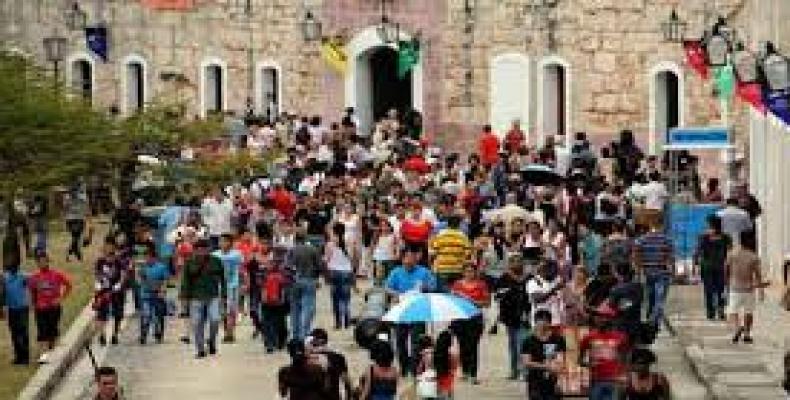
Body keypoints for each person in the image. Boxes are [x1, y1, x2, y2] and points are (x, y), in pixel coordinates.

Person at [384, 248, 437, 376]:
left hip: (418, 311)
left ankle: (415, 369)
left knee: (417, 342)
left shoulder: (424, 272)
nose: (409, 261)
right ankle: (404, 367)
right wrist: (396, 294)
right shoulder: (396, 272)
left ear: (416, 259)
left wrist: (425, 287)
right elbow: (387, 287)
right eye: (406, 258)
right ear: (402, 259)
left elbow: (433, 286)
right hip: (401, 311)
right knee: (400, 342)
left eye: (411, 258)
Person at [180, 239, 226, 358]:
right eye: (198, 249)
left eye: (204, 249)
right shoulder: (189, 262)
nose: (201, 252)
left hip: (213, 295)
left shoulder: (216, 261)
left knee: (215, 320)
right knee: (196, 323)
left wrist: (224, 296)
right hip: (195, 297)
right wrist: (184, 299)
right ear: (195, 250)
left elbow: (223, 279)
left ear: (209, 249)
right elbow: (185, 282)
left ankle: (211, 340)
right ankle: (200, 349)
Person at [28, 251, 72, 364]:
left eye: (44, 261)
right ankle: (43, 354)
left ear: (48, 261)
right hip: (41, 308)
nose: (42, 263)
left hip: (54, 308)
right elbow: (32, 292)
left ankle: (52, 345)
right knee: (42, 330)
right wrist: (33, 305)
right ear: (37, 263)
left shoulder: (56, 274)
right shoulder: (34, 277)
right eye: (39, 262)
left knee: (52, 330)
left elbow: (68, 285)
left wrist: (61, 298)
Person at [579, 303, 629, 400]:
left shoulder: (621, 337)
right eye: (598, 316)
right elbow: (580, 360)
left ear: (611, 319)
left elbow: (625, 359)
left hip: (615, 381)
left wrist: (624, 378)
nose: (600, 319)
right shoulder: (588, 337)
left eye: (604, 316)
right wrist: (589, 364)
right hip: (596, 381)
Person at [450, 263, 490, 384]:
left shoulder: (481, 285)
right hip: (459, 319)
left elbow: (487, 303)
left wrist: (471, 300)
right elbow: (452, 301)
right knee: (462, 346)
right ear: (463, 272)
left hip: (475, 319)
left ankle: (473, 374)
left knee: (473, 346)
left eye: (471, 271)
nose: (469, 273)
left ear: (475, 272)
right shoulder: (457, 284)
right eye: (467, 271)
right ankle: (465, 371)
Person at [726, 231, 767, 344]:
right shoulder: (753, 256)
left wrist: (726, 283)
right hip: (749, 288)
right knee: (748, 312)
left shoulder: (732, 254)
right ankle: (747, 334)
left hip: (735, 288)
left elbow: (726, 269)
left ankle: (737, 327)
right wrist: (761, 290)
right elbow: (758, 275)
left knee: (733, 311)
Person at [633, 221, 673, 330]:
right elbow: (670, 257)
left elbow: (636, 254)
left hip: (648, 272)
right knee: (659, 299)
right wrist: (671, 270)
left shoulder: (641, 240)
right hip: (662, 273)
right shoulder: (666, 240)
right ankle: (653, 320)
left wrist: (638, 270)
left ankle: (651, 318)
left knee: (650, 297)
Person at [496, 254, 531, 380]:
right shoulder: (504, 278)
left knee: (522, 343)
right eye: (513, 262)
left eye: (519, 261)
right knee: (512, 345)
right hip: (509, 315)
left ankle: (524, 372)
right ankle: (514, 371)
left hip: (524, 315)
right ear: (509, 264)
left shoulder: (529, 278)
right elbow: (497, 294)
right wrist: (505, 292)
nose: (516, 264)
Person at [285, 231, 323, 341]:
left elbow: (287, 266)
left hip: (294, 281)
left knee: (295, 309)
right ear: (305, 238)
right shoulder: (312, 250)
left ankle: (295, 335)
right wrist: (318, 278)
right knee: (308, 308)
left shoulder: (291, 250)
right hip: (309, 280)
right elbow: (320, 266)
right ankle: (304, 333)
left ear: (295, 239)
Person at [522, 309, 567, 400]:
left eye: (546, 320)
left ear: (550, 322)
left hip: (553, 380)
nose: (543, 323)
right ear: (535, 322)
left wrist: (559, 378)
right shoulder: (529, 340)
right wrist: (545, 366)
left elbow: (561, 359)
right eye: (540, 320)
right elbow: (526, 362)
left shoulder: (558, 339)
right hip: (535, 381)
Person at [695, 215, 731, 320]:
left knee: (708, 290)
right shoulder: (726, 237)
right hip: (721, 266)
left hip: (707, 266)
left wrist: (695, 264)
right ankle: (721, 311)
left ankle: (710, 312)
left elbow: (697, 252)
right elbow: (729, 252)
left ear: (709, 224)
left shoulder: (703, 237)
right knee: (721, 289)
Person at [94, 239, 129, 346]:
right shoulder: (100, 261)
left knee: (118, 314)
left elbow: (123, 274)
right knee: (101, 313)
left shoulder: (119, 261)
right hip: (103, 291)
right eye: (106, 247)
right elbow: (97, 273)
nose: (108, 250)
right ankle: (102, 335)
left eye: (110, 247)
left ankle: (115, 334)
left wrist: (119, 284)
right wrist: (98, 283)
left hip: (116, 291)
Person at [212, 233, 244, 342]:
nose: (222, 243)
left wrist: (243, 284)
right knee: (222, 310)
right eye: (220, 241)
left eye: (225, 241)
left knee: (231, 309)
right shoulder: (214, 255)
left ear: (230, 243)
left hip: (233, 285)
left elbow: (241, 270)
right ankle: (226, 331)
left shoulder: (237, 254)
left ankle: (230, 332)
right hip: (219, 286)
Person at [306, 328, 353, 400]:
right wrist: (348, 396)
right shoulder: (338, 357)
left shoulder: (308, 359)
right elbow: (347, 382)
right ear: (326, 341)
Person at [137, 244, 170, 345]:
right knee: (146, 314)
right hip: (146, 294)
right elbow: (139, 279)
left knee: (158, 315)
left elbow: (165, 280)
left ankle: (158, 332)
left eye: (149, 257)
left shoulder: (161, 267)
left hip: (158, 294)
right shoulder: (143, 267)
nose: (147, 259)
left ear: (154, 257)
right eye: (145, 257)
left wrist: (162, 290)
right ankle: (143, 334)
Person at [429, 215, 472, 291]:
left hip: (442, 269)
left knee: (442, 295)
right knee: (457, 294)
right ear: (459, 225)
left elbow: (433, 253)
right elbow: (468, 254)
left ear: (447, 224)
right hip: (458, 270)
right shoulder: (463, 237)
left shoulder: (440, 235)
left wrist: (432, 265)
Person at [325, 223, 355, 330]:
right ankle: (347, 321)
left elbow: (326, 260)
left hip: (334, 272)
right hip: (346, 272)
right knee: (346, 298)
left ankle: (338, 322)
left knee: (335, 299)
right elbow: (352, 258)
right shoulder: (349, 242)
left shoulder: (330, 244)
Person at [1, 262, 31, 364]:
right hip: (11, 309)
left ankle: (25, 357)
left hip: (22, 308)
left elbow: (34, 280)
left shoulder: (23, 276)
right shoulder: (5, 278)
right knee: (14, 333)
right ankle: (18, 356)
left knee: (23, 332)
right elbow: (3, 293)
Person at [527, 259, 565, 327]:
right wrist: (554, 289)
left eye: (556, 270)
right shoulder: (533, 282)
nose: (554, 273)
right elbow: (537, 299)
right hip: (540, 323)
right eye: (552, 270)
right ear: (544, 270)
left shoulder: (557, 280)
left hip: (556, 321)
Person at [63, 189, 91, 261]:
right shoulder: (68, 199)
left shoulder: (82, 198)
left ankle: (75, 254)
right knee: (75, 238)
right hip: (73, 220)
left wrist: (88, 218)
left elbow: (86, 209)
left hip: (78, 220)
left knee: (76, 238)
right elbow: (65, 210)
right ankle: (75, 254)